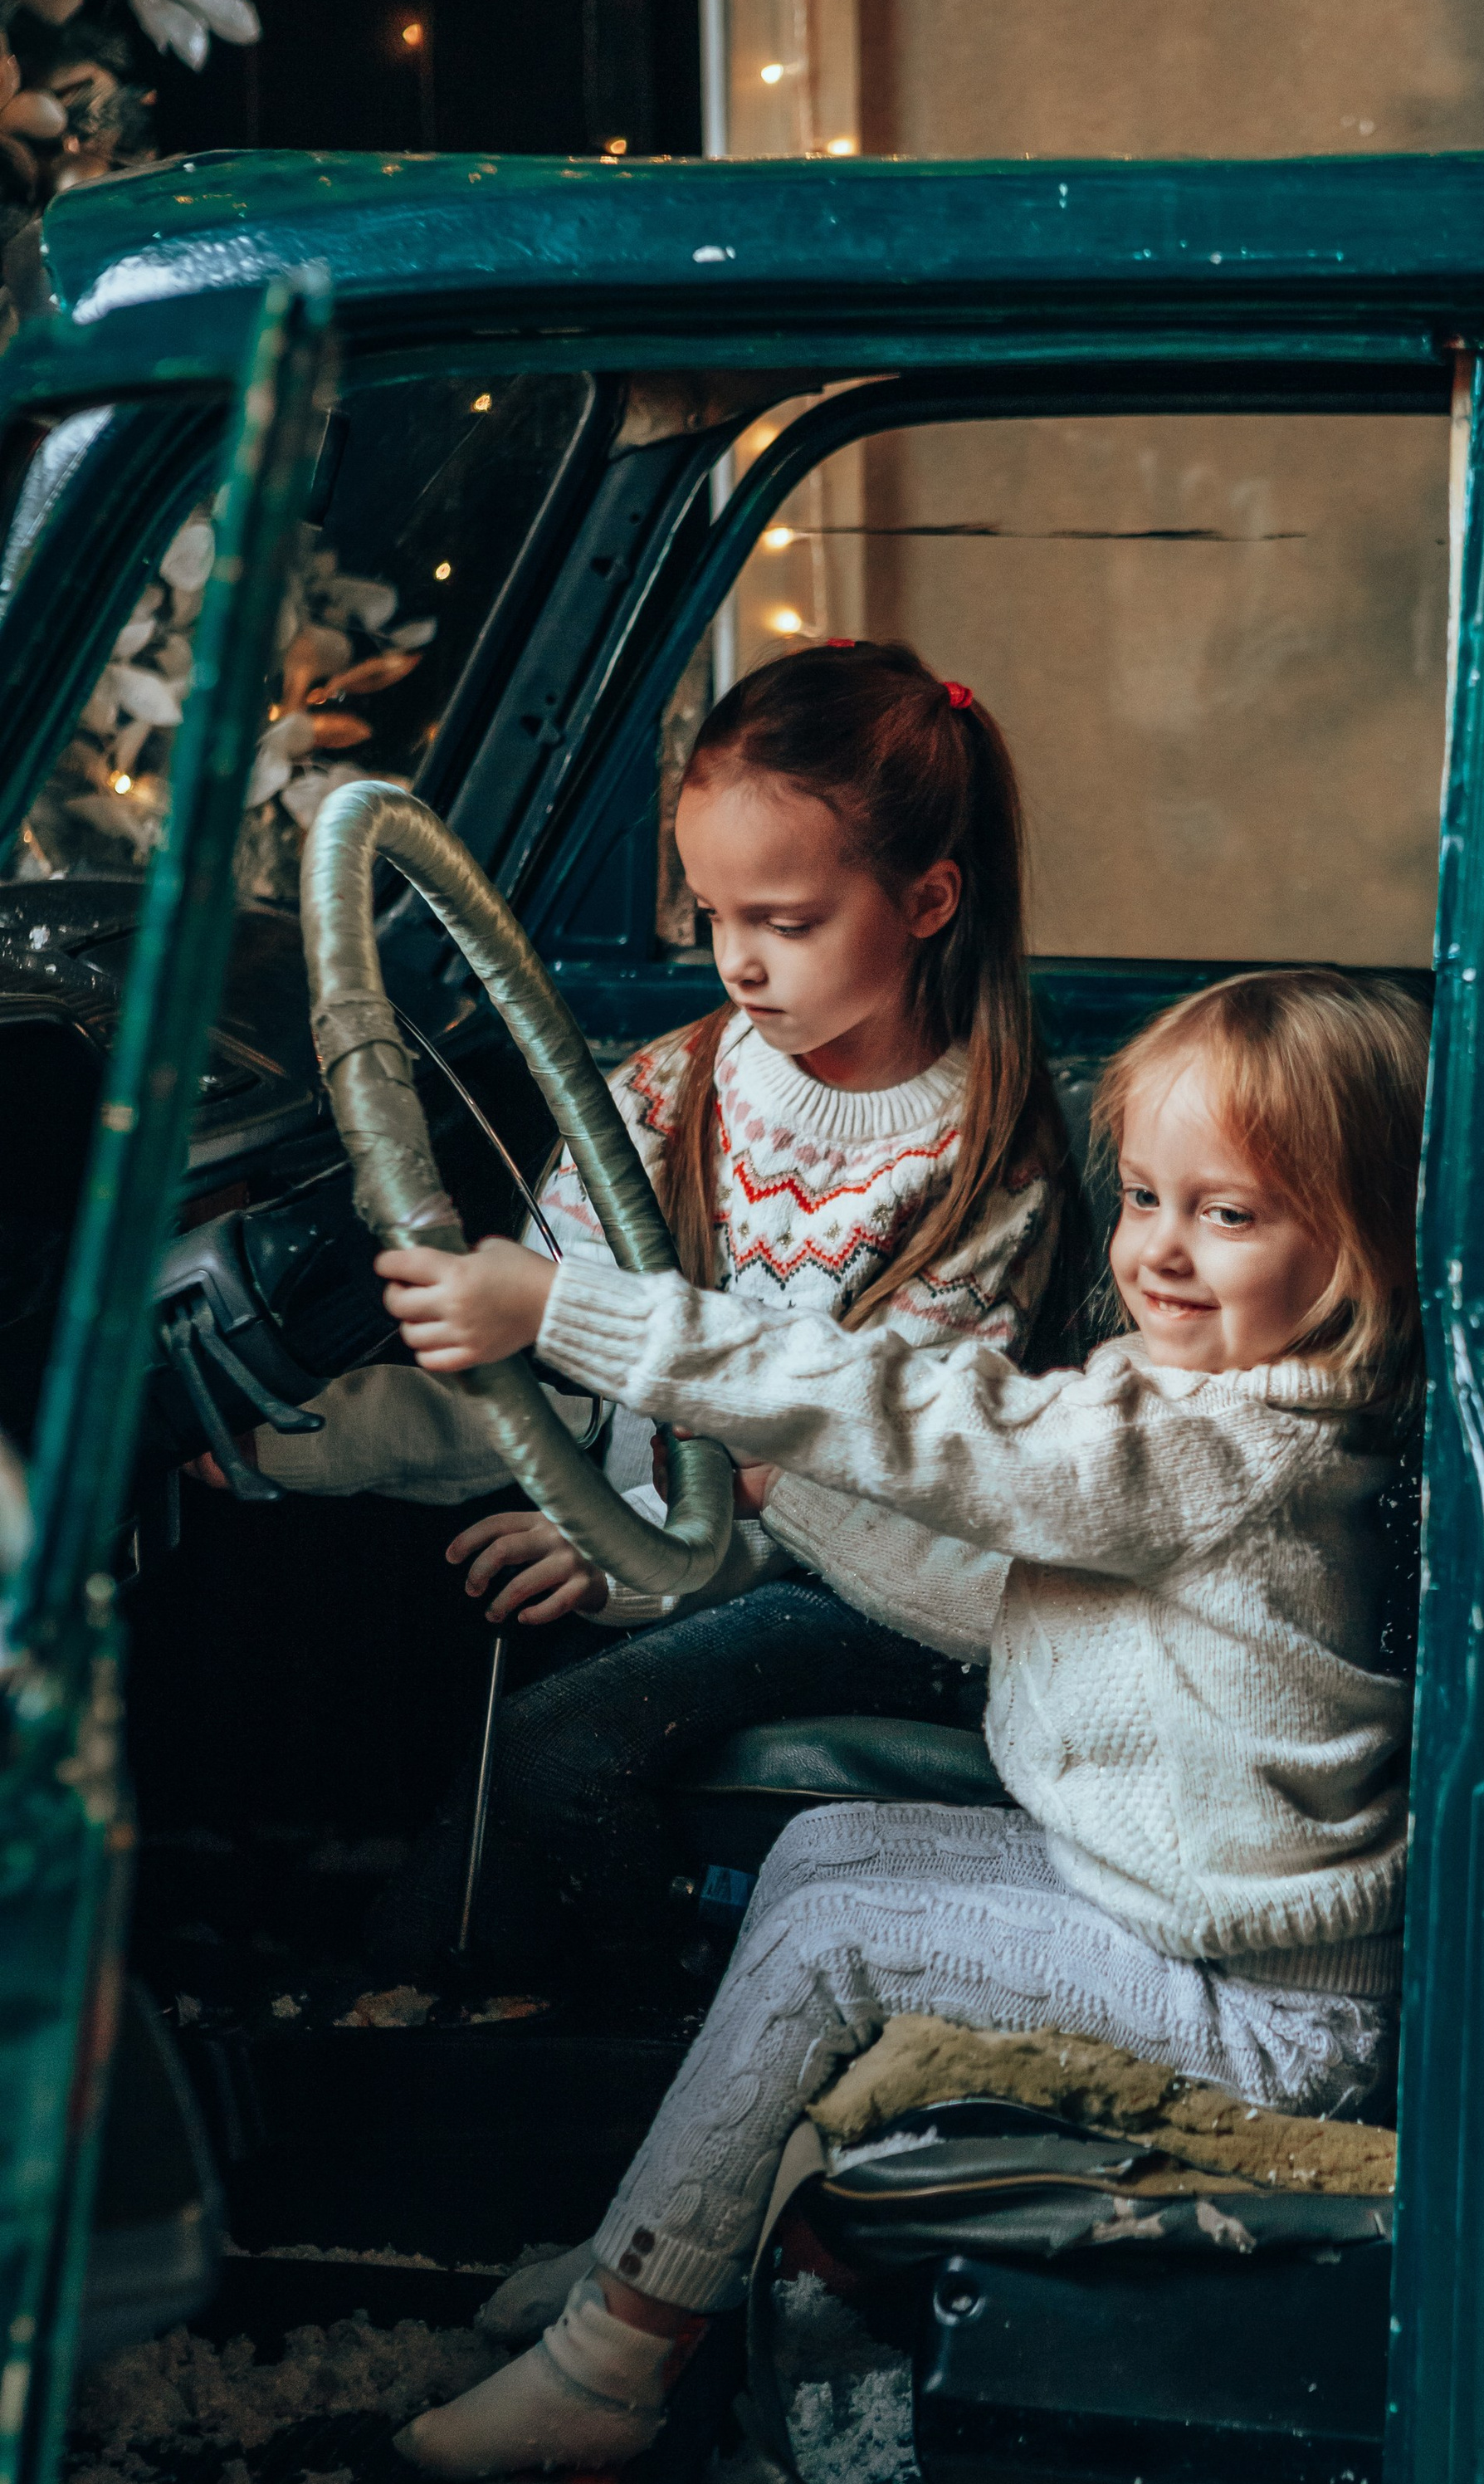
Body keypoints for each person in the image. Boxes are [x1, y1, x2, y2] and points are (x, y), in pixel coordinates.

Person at [371, 965, 1428, 2482]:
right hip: (1190, 1921)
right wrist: (782, 1491)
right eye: (1142, 1197)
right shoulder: (1217, 1417)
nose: (1162, 1254)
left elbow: (925, 1419)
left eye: (1231, 1214)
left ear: (1359, 1252)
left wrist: (572, 1311)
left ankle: (613, 2367)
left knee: (831, 1939)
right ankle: (655, 2244)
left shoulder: (1221, 1449)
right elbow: (1011, 1589)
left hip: (1266, 2010)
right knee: (828, 1856)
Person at [256, 639, 1070, 1981]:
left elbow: (856, 1475)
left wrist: (630, 1553)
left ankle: (657, 2013)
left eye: (786, 922)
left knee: (555, 1750)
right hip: (657, 1555)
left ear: (928, 900)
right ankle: (406, 2007)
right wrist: (286, 1443)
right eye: (709, 915)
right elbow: (528, 1378)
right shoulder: (664, 1093)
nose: (736, 962)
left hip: (864, 1593)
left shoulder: (987, 1165)